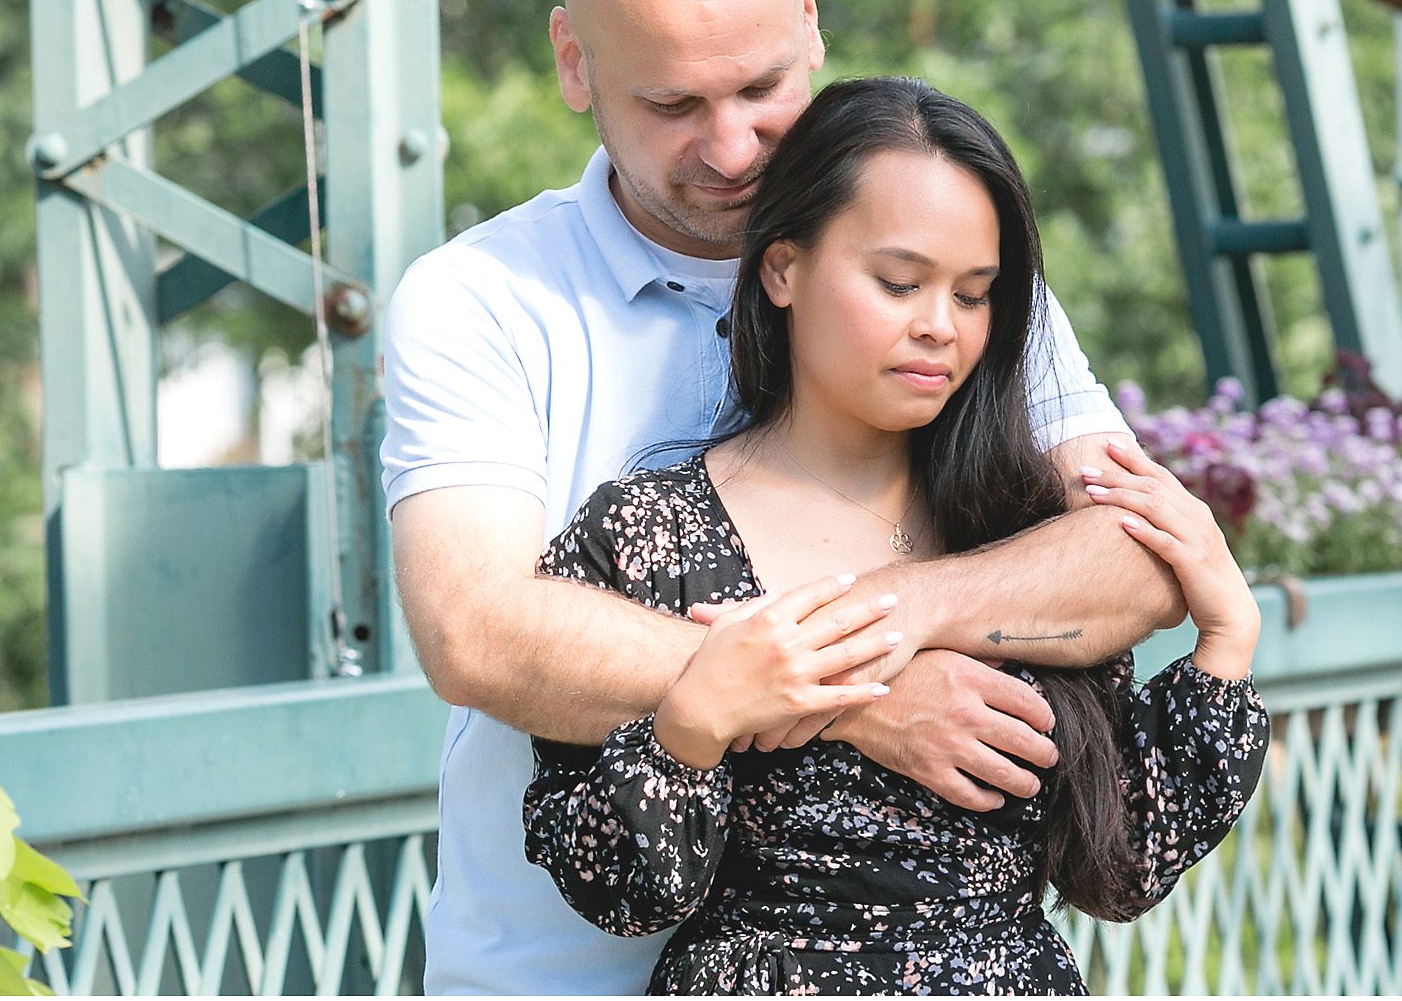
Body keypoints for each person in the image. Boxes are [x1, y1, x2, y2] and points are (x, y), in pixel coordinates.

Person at [381, 0, 1207, 996]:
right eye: (670, 103)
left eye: (761, 87)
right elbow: (474, 632)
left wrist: (886, 621)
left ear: (811, 16)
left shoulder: (939, 277)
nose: (729, 148)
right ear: (573, 63)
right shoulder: (479, 300)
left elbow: (1135, 555)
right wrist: (859, 700)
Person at [522, 76, 1269, 994]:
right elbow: (617, 892)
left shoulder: (1022, 536)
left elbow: (1111, 870)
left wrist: (1226, 643)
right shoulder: (642, 538)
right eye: (900, 282)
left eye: (973, 295)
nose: (938, 329)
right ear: (782, 268)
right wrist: (695, 715)